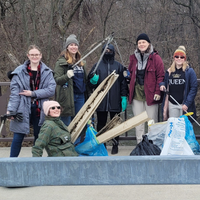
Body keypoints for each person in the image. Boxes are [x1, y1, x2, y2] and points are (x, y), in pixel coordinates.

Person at [7, 44, 56, 157]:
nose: (35, 57)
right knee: (18, 136)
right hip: (22, 107)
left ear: (41, 56)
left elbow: (51, 90)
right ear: (28, 56)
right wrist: (11, 110)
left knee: (39, 137)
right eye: (32, 54)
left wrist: (33, 93)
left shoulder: (47, 72)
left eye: (37, 54)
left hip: (41, 108)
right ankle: (12, 162)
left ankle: (36, 161)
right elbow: (14, 94)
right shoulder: (18, 72)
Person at [88, 43, 128, 154]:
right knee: (101, 123)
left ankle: (115, 144)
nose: (108, 52)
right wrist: (92, 81)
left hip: (115, 100)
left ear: (113, 51)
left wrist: (124, 96)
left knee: (115, 123)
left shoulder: (119, 66)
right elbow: (89, 83)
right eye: (106, 50)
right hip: (101, 100)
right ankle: (102, 143)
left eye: (110, 50)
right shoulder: (97, 66)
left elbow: (123, 83)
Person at [128, 33, 165, 144]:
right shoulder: (133, 58)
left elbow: (161, 76)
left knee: (151, 122)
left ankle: (152, 145)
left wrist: (158, 91)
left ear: (148, 43)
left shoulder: (156, 58)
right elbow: (130, 73)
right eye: (139, 42)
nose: (141, 44)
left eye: (144, 42)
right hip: (136, 95)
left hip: (151, 94)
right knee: (138, 123)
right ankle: (140, 144)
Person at [54, 34, 88, 126]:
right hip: (67, 97)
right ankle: (66, 140)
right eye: (71, 45)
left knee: (78, 124)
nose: (74, 47)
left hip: (80, 96)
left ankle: (77, 141)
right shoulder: (61, 62)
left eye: (75, 45)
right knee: (66, 124)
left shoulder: (81, 62)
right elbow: (57, 80)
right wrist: (67, 76)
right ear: (67, 47)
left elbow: (84, 80)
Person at [159, 46, 198, 121]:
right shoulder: (169, 71)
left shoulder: (189, 71)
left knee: (184, 127)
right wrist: (162, 85)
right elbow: (164, 81)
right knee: (174, 126)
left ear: (184, 58)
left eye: (182, 57)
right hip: (172, 104)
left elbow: (194, 88)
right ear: (174, 58)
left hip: (184, 104)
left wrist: (187, 104)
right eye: (177, 56)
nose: (179, 58)